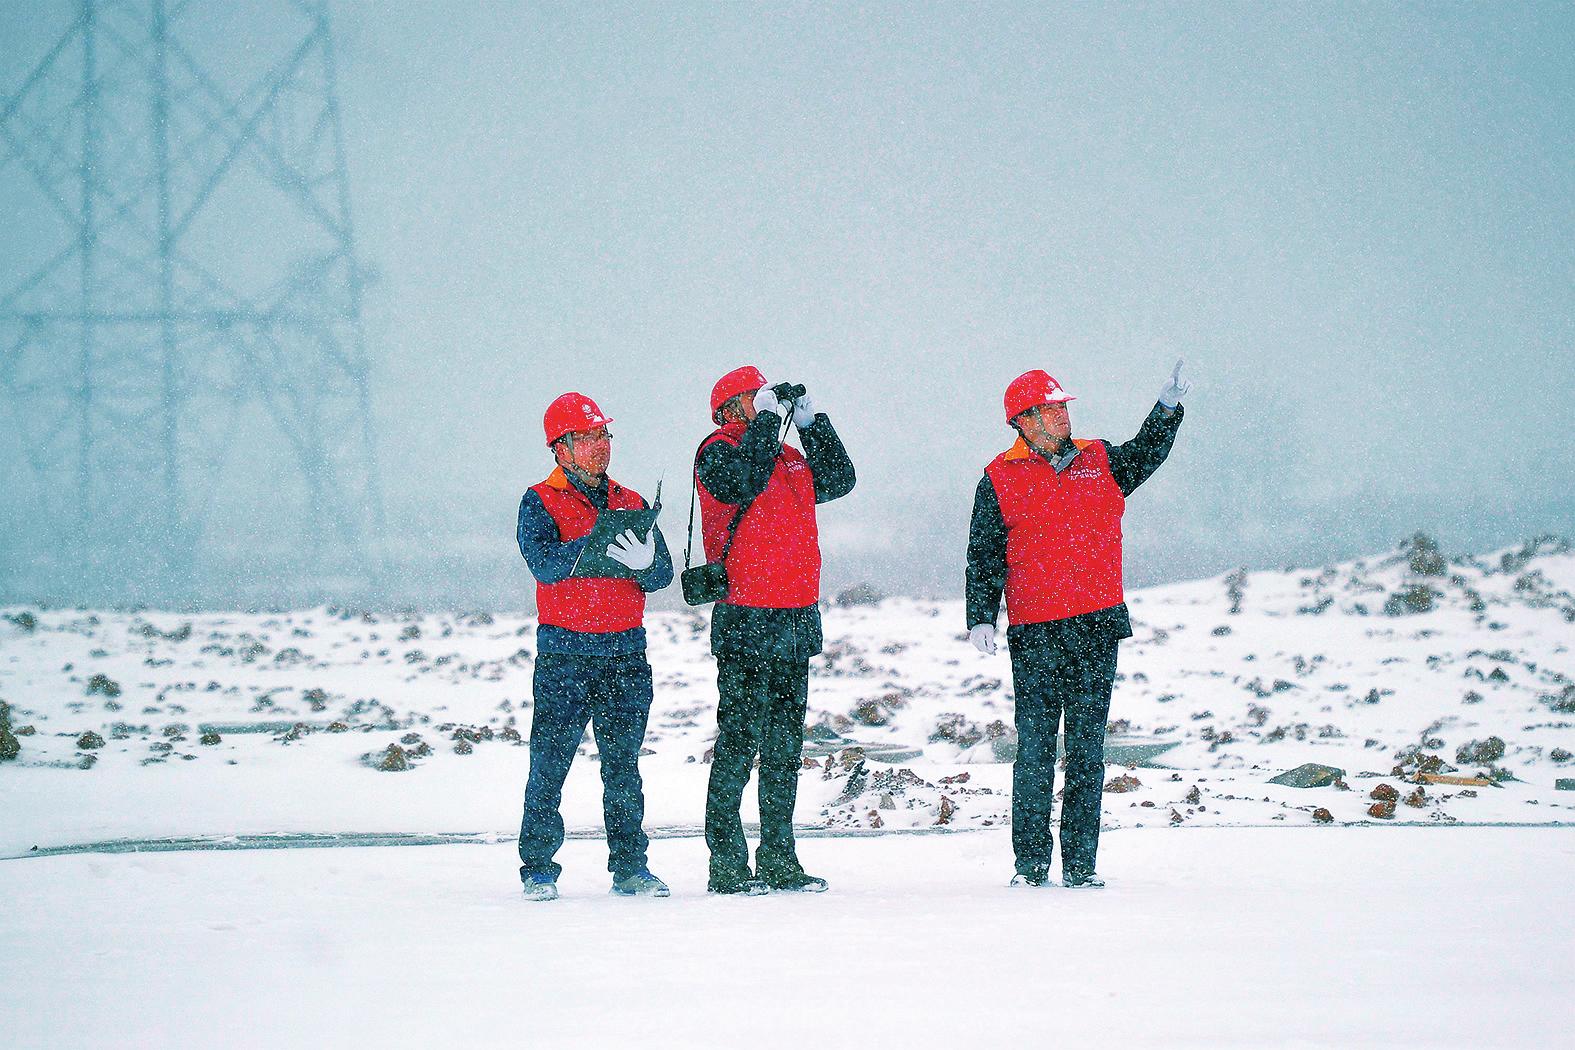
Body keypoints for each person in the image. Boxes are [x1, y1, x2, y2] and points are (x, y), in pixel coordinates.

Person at [966, 361, 1190, 888]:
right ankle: (1030, 866)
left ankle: (1083, 866)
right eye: (1052, 408)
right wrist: (980, 615)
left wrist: (1167, 409)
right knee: (1036, 751)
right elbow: (984, 554)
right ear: (1024, 419)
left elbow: (1147, 452)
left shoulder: (1101, 459)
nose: (1064, 414)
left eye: (1065, 406)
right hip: (1036, 632)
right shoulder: (999, 477)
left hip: (1095, 626)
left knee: (1088, 750)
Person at [694, 366, 855, 894]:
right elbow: (743, 480)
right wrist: (765, 422)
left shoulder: (787, 457)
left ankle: (780, 859)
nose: (766, 405)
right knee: (739, 742)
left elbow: (840, 480)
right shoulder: (716, 452)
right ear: (729, 408)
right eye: (753, 397)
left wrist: (813, 424)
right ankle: (726, 863)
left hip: (794, 614)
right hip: (745, 616)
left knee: (785, 748)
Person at [515, 392, 674, 901]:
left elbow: (662, 576)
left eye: (604, 435)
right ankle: (538, 869)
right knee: (550, 763)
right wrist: (595, 547)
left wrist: (646, 560)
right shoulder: (538, 501)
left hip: (626, 653)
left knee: (623, 767)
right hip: (565, 655)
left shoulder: (631, 502)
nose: (600, 446)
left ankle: (630, 869)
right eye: (587, 438)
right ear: (559, 447)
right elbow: (543, 564)